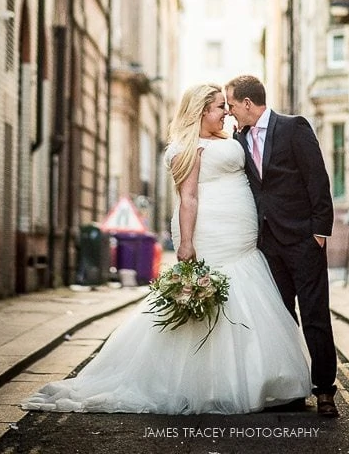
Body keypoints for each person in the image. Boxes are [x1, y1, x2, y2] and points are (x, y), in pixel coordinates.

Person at [21, 84, 311, 415]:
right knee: (209, 302)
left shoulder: (231, 139)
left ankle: (263, 379)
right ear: (202, 110)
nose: (226, 112)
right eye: (219, 107)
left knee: (243, 301)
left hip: (242, 241)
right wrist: (186, 243)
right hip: (210, 233)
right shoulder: (185, 148)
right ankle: (209, 384)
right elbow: (188, 197)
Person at [225, 75, 339, 417]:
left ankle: (324, 391)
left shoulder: (294, 128)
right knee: (281, 316)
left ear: (248, 104)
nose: (230, 113)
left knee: (315, 315)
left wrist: (319, 232)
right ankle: (292, 387)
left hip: (303, 240)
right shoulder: (238, 139)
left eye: (231, 105)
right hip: (267, 244)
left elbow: (317, 179)